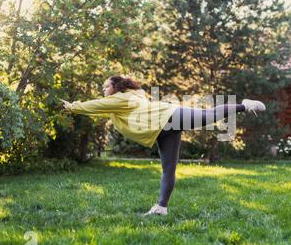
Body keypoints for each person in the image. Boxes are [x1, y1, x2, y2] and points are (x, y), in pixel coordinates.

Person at [62, 75, 266, 216]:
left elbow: (95, 105)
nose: (103, 90)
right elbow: (102, 109)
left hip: (169, 116)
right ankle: (161, 208)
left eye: (106, 86)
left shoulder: (119, 99)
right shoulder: (124, 101)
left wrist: (72, 106)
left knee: (209, 116)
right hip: (162, 130)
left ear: (116, 87)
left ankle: (244, 105)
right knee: (169, 169)